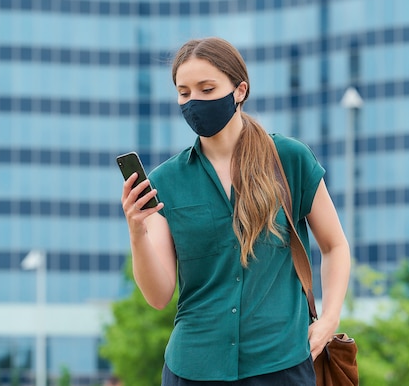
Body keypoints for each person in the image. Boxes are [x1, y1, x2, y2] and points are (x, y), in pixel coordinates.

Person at [121, 37, 351, 385]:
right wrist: (137, 232)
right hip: (193, 369)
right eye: (184, 93)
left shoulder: (289, 159)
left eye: (207, 88)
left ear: (239, 90)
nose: (193, 101)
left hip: (281, 364)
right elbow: (158, 295)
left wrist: (329, 319)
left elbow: (335, 246)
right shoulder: (166, 181)